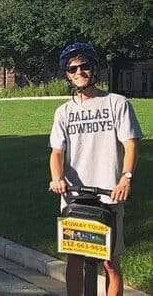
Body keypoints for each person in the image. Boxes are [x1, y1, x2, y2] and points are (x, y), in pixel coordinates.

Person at [49, 43, 142, 296]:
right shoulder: (63, 112)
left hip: (109, 194)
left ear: (94, 69)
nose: (79, 71)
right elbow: (57, 151)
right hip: (74, 197)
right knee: (75, 259)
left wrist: (126, 179)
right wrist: (57, 178)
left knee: (110, 262)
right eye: (73, 68)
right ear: (67, 74)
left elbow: (130, 145)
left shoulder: (117, 103)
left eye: (85, 66)